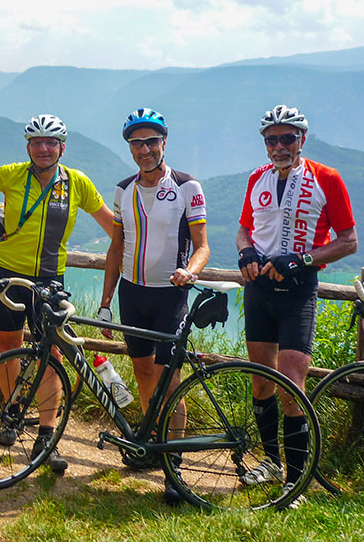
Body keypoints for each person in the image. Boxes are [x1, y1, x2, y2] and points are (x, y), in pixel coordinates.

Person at [0, 114, 114, 473]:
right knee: (6, 344)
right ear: (28, 147)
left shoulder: (77, 183)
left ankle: (46, 435)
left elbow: (112, 225)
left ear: (62, 147)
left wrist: (140, 251)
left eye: (51, 143)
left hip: (50, 277)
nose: (44, 149)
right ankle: (12, 410)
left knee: (55, 355)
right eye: (37, 142)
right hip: (8, 273)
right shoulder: (12, 174)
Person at [236, 104, 357, 503]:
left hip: (299, 291)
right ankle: (271, 463)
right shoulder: (258, 178)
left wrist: (303, 259)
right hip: (258, 291)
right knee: (260, 382)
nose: (279, 146)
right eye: (272, 140)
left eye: (288, 138)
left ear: (302, 139)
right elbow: (243, 230)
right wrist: (246, 252)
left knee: (292, 386)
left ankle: (296, 477)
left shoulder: (327, 178)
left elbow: (348, 240)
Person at [97, 108, 209, 503]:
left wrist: (190, 272)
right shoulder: (123, 189)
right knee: (143, 372)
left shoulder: (187, 186)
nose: (144, 150)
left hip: (169, 296)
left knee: (169, 380)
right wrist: (107, 301)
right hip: (132, 293)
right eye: (136, 143)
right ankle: (151, 443)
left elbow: (202, 246)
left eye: (151, 142)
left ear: (164, 143)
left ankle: (174, 464)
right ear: (129, 147)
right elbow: (116, 247)